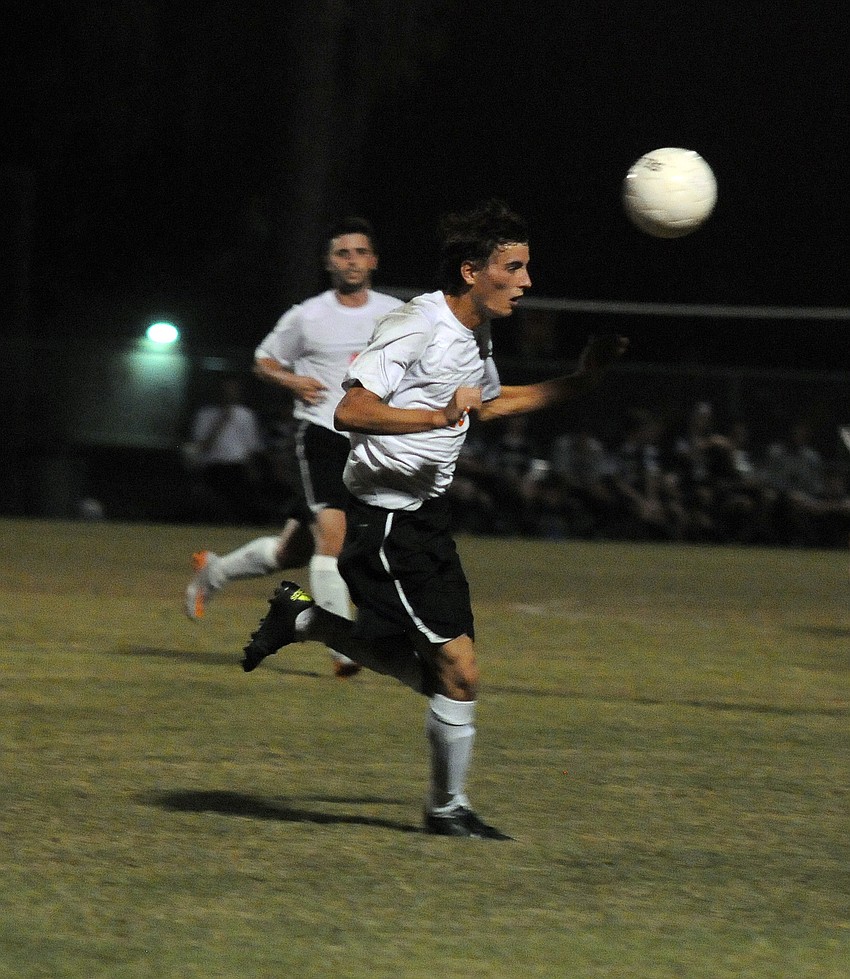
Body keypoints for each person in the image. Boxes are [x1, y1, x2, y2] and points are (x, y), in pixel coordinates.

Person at [239, 199, 628, 838]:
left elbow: (489, 403)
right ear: (473, 271)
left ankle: (307, 619)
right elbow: (352, 411)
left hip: (426, 517)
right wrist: (437, 417)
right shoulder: (416, 325)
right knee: (458, 672)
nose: (527, 281)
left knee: (441, 671)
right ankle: (445, 810)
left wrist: (578, 383)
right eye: (515, 267)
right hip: (384, 522)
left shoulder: (477, 330)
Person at [184, 217, 403, 678]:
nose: (351, 261)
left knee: (291, 553)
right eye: (342, 254)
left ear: (374, 260)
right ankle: (344, 647)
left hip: (370, 442)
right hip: (320, 434)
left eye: (360, 252)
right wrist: (292, 379)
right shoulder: (307, 315)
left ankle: (215, 571)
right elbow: (263, 361)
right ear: (329, 262)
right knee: (334, 538)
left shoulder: (394, 312)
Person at [183, 375, 270, 524]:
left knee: (237, 507)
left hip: (237, 468)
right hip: (214, 467)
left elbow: (250, 447)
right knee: (213, 507)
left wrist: (252, 470)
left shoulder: (246, 415)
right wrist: (221, 420)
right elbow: (201, 446)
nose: (229, 394)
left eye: (233, 390)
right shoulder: (205, 414)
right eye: (226, 390)